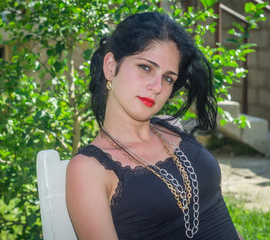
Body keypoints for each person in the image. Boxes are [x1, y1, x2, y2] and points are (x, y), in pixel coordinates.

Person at [66, 12, 242, 240]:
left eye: (168, 78)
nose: (157, 87)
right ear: (111, 67)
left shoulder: (173, 127)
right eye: (146, 68)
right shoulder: (89, 169)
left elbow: (217, 213)